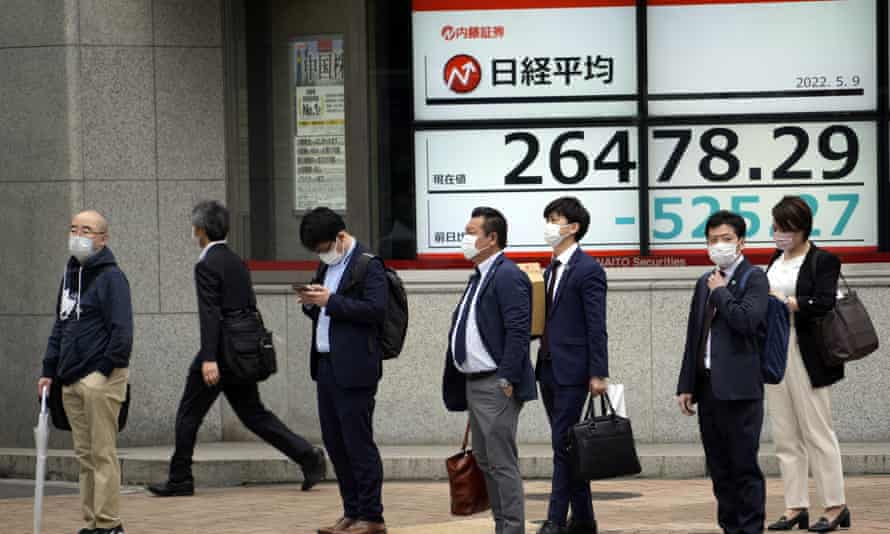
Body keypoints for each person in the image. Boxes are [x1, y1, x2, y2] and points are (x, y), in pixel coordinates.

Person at [148, 201, 326, 497]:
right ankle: (307, 456)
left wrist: (209, 359)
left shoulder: (206, 264)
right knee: (254, 414)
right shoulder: (235, 260)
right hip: (241, 351)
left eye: (194, 229)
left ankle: (180, 478)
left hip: (220, 351)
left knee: (189, 413)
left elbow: (210, 314)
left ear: (200, 230)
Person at [38, 210, 133, 534]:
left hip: (100, 379)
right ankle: (92, 522)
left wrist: (102, 371)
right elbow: (60, 325)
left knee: (102, 453)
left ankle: (109, 524)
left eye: (87, 230)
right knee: (85, 456)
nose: (79, 235)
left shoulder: (112, 278)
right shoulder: (69, 276)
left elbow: (122, 331)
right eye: (75, 228)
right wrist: (49, 369)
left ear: (103, 239)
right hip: (70, 379)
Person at [443, 207, 536, 534]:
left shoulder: (507, 275)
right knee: (486, 462)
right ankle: (503, 526)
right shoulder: (479, 275)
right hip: (475, 384)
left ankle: (511, 529)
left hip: (497, 384)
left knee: (501, 463)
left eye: (472, 233)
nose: (465, 239)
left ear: (492, 238)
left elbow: (518, 330)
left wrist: (507, 378)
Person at [676, 210, 769, 534]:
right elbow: (694, 336)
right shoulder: (705, 281)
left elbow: (747, 320)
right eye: (713, 240)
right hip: (709, 387)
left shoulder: (754, 278)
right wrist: (686, 384)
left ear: (741, 241)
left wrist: (721, 292)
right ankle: (730, 528)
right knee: (719, 468)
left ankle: (750, 528)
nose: (719, 245)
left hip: (741, 390)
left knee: (744, 466)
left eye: (726, 239)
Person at [298, 207, 388, 534]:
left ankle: (372, 516)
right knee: (335, 443)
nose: (323, 255)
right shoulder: (327, 265)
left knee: (358, 443)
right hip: (325, 365)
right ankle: (351, 511)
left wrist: (330, 302)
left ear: (339, 237)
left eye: (324, 248)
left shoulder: (368, 265)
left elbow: (376, 310)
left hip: (356, 369)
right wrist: (312, 303)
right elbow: (326, 311)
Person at [765, 196, 851, 532]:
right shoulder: (776, 258)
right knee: (785, 434)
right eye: (775, 227)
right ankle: (795, 505)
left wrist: (787, 303)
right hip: (774, 352)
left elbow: (825, 302)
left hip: (807, 353)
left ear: (801, 229)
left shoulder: (822, 260)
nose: (778, 234)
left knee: (818, 432)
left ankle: (835, 505)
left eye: (784, 228)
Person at [535, 197, 608, 534]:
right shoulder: (548, 270)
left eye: (556, 219)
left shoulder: (588, 269)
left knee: (561, 444)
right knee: (568, 444)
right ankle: (584, 519)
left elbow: (597, 324)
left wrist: (598, 372)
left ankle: (554, 519)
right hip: (548, 367)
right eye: (548, 218)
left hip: (573, 370)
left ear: (574, 227)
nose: (550, 225)